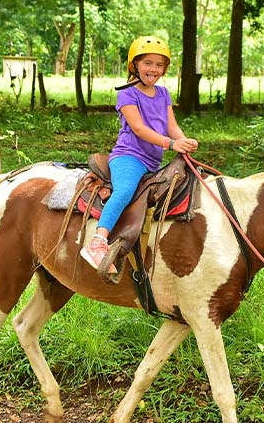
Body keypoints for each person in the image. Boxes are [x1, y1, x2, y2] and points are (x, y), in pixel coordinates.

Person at [81, 36, 198, 273]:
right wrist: (171, 144)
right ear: (134, 65)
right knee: (124, 191)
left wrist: (183, 140)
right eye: (147, 63)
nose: (153, 69)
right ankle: (98, 241)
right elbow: (139, 128)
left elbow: (171, 126)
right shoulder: (127, 94)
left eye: (159, 65)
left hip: (153, 160)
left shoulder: (163, 93)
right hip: (129, 156)